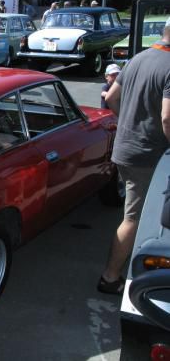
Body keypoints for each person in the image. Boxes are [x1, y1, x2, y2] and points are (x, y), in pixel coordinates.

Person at [98, 16, 170, 295]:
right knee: (134, 217)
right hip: (146, 154)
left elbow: (111, 97)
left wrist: (127, 123)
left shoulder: (139, 58)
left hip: (125, 148)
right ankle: (110, 277)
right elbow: (167, 118)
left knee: (135, 211)